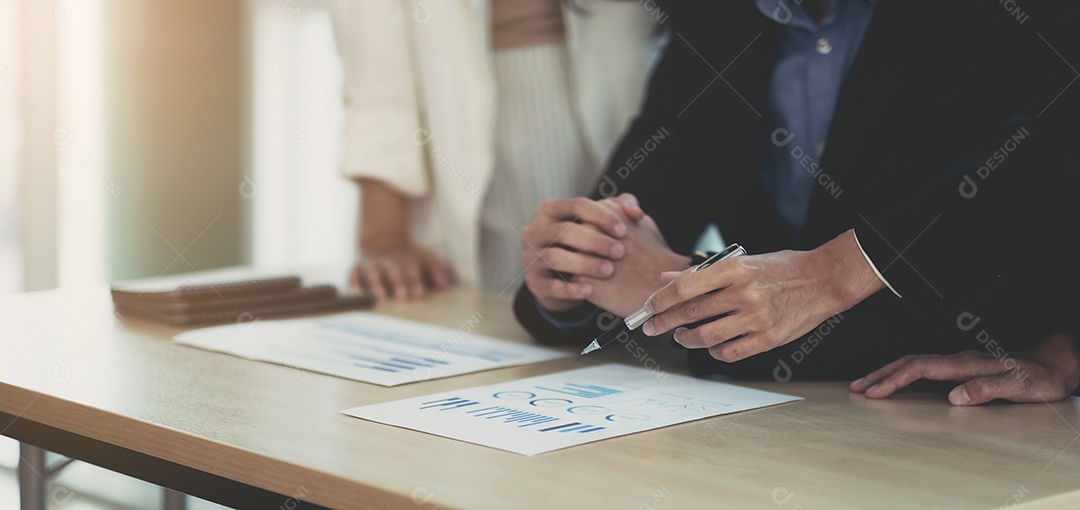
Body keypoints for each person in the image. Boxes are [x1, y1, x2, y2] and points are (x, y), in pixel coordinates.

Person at [513, 0, 1080, 404]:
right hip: (798, 431)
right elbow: (631, 231)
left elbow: (1027, 205)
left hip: (963, 429)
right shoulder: (718, 19)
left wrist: (678, 285)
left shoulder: (1000, 18)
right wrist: (576, 268)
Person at [330, 0, 664, 300]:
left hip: (622, 131)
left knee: (604, 294)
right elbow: (378, 91)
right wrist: (384, 237)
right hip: (460, 160)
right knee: (493, 314)